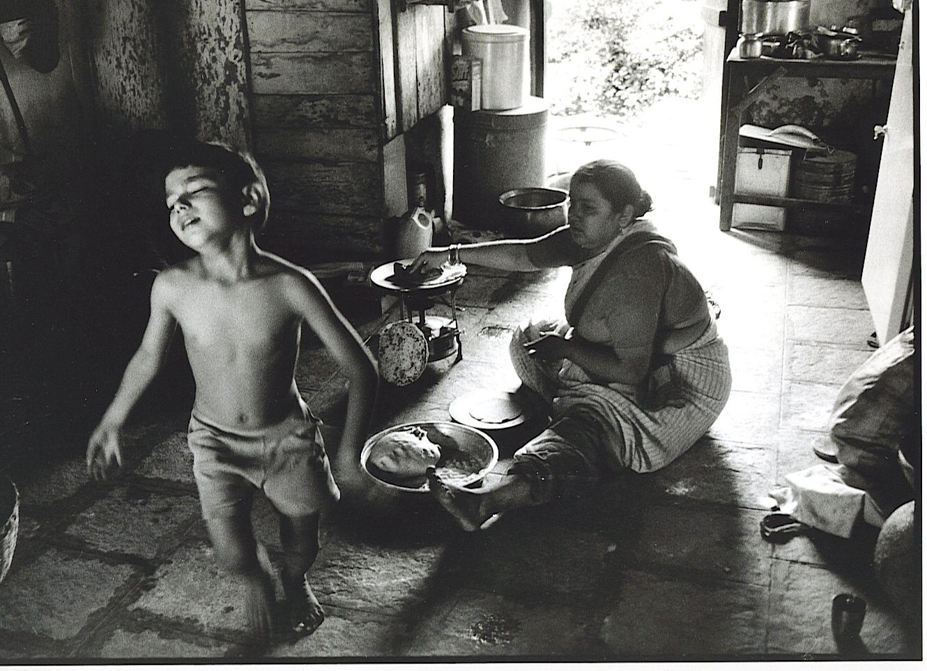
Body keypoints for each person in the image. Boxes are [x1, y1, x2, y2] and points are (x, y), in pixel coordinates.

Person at [86, 139, 378, 643]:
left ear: (248, 199)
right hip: (214, 441)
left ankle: (295, 579)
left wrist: (349, 455)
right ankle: (258, 577)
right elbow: (148, 356)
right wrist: (113, 419)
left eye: (194, 191)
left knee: (304, 540)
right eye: (171, 202)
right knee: (232, 553)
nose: (179, 207)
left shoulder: (291, 285)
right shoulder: (172, 286)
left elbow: (361, 367)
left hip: (286, 438)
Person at [412, 159, 732, 530]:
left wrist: (567, 350)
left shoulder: (637, 271)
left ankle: (486, 502)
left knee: (589, 430)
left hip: (680, 380)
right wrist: (449, 254)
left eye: (588, 208)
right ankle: (571, 406)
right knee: (527, 339)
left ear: (624, 216)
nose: (574, 215)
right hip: (626, 348)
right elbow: (523, 255)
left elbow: (633, 372)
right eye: (572, 203)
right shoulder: (593, 237)